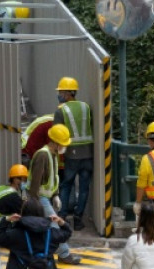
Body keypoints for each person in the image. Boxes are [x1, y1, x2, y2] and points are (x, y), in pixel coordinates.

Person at [28, 124, 81, 265]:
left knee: (47, 227)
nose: (65, 147)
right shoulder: (43, 155)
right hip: (40, 198)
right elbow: (35, 182)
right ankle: (64, 254)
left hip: (45, 198)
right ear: (56, 142)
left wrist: (55, 194)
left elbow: (53, 178)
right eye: (63, 144)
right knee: (55, 225)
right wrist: (34, 203)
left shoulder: (53, 155)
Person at [53, 77, 93, 231]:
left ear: (67, 93)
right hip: (88, 153)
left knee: (66, 185)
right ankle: (78, 219)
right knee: (84, 187)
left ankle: (62, 217)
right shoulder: (86, 107)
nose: (59, 94)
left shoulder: (61, 110)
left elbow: (57, 134)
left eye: (61, 91)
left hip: (71, 155)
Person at [0, 198, 73, 269]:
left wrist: (6, 220)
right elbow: (67, 233)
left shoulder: (15, 234)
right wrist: (61, 222)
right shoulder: (51, 233)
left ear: (23, 213)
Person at [0, 164, 28, 229]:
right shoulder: (13, 196)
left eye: (24, 180)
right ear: (14, 179)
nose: (22, 182)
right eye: (20, 179)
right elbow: (24, 212)